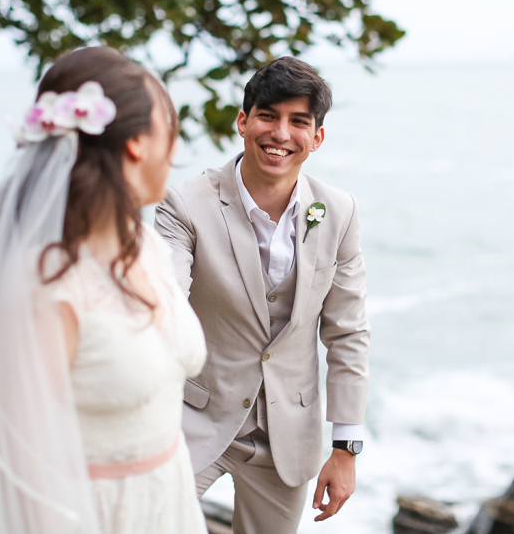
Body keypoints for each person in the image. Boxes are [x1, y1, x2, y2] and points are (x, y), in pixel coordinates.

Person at [0, 47, 208, 534]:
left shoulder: (147, 243)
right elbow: (23, 468)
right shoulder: (44, 286)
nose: (176, 150)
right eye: (168, 128)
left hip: (169, 507)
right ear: (137, 144)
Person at [155, 57, 371, 534]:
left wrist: (345, 448)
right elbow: (165, 297)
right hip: (193, 420)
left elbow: (348, 331)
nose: (280, 133)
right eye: (268, 116)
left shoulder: (338, 212)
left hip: (288, 437)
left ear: (316, 138)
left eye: (299, 122)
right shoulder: (185, 204)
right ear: (243, 121)